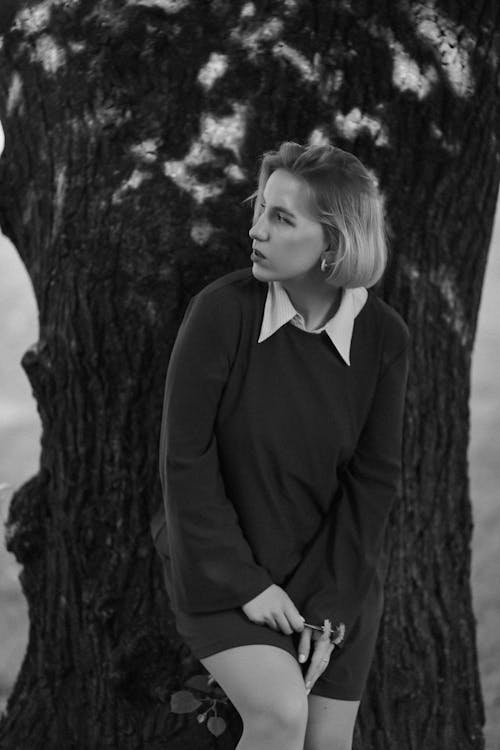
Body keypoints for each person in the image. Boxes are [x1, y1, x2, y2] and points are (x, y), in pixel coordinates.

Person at [150, 141, 410, 750]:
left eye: (282, 218)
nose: (257, 231)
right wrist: (244, 583)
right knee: (280, 715)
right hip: (218, 561)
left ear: (337, 242)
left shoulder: (384, 337)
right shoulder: (221, 312)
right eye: (261, 210)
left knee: (324, 744)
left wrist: (332, 606)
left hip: (334, 578)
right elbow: (184, 463)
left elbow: (373, 484)